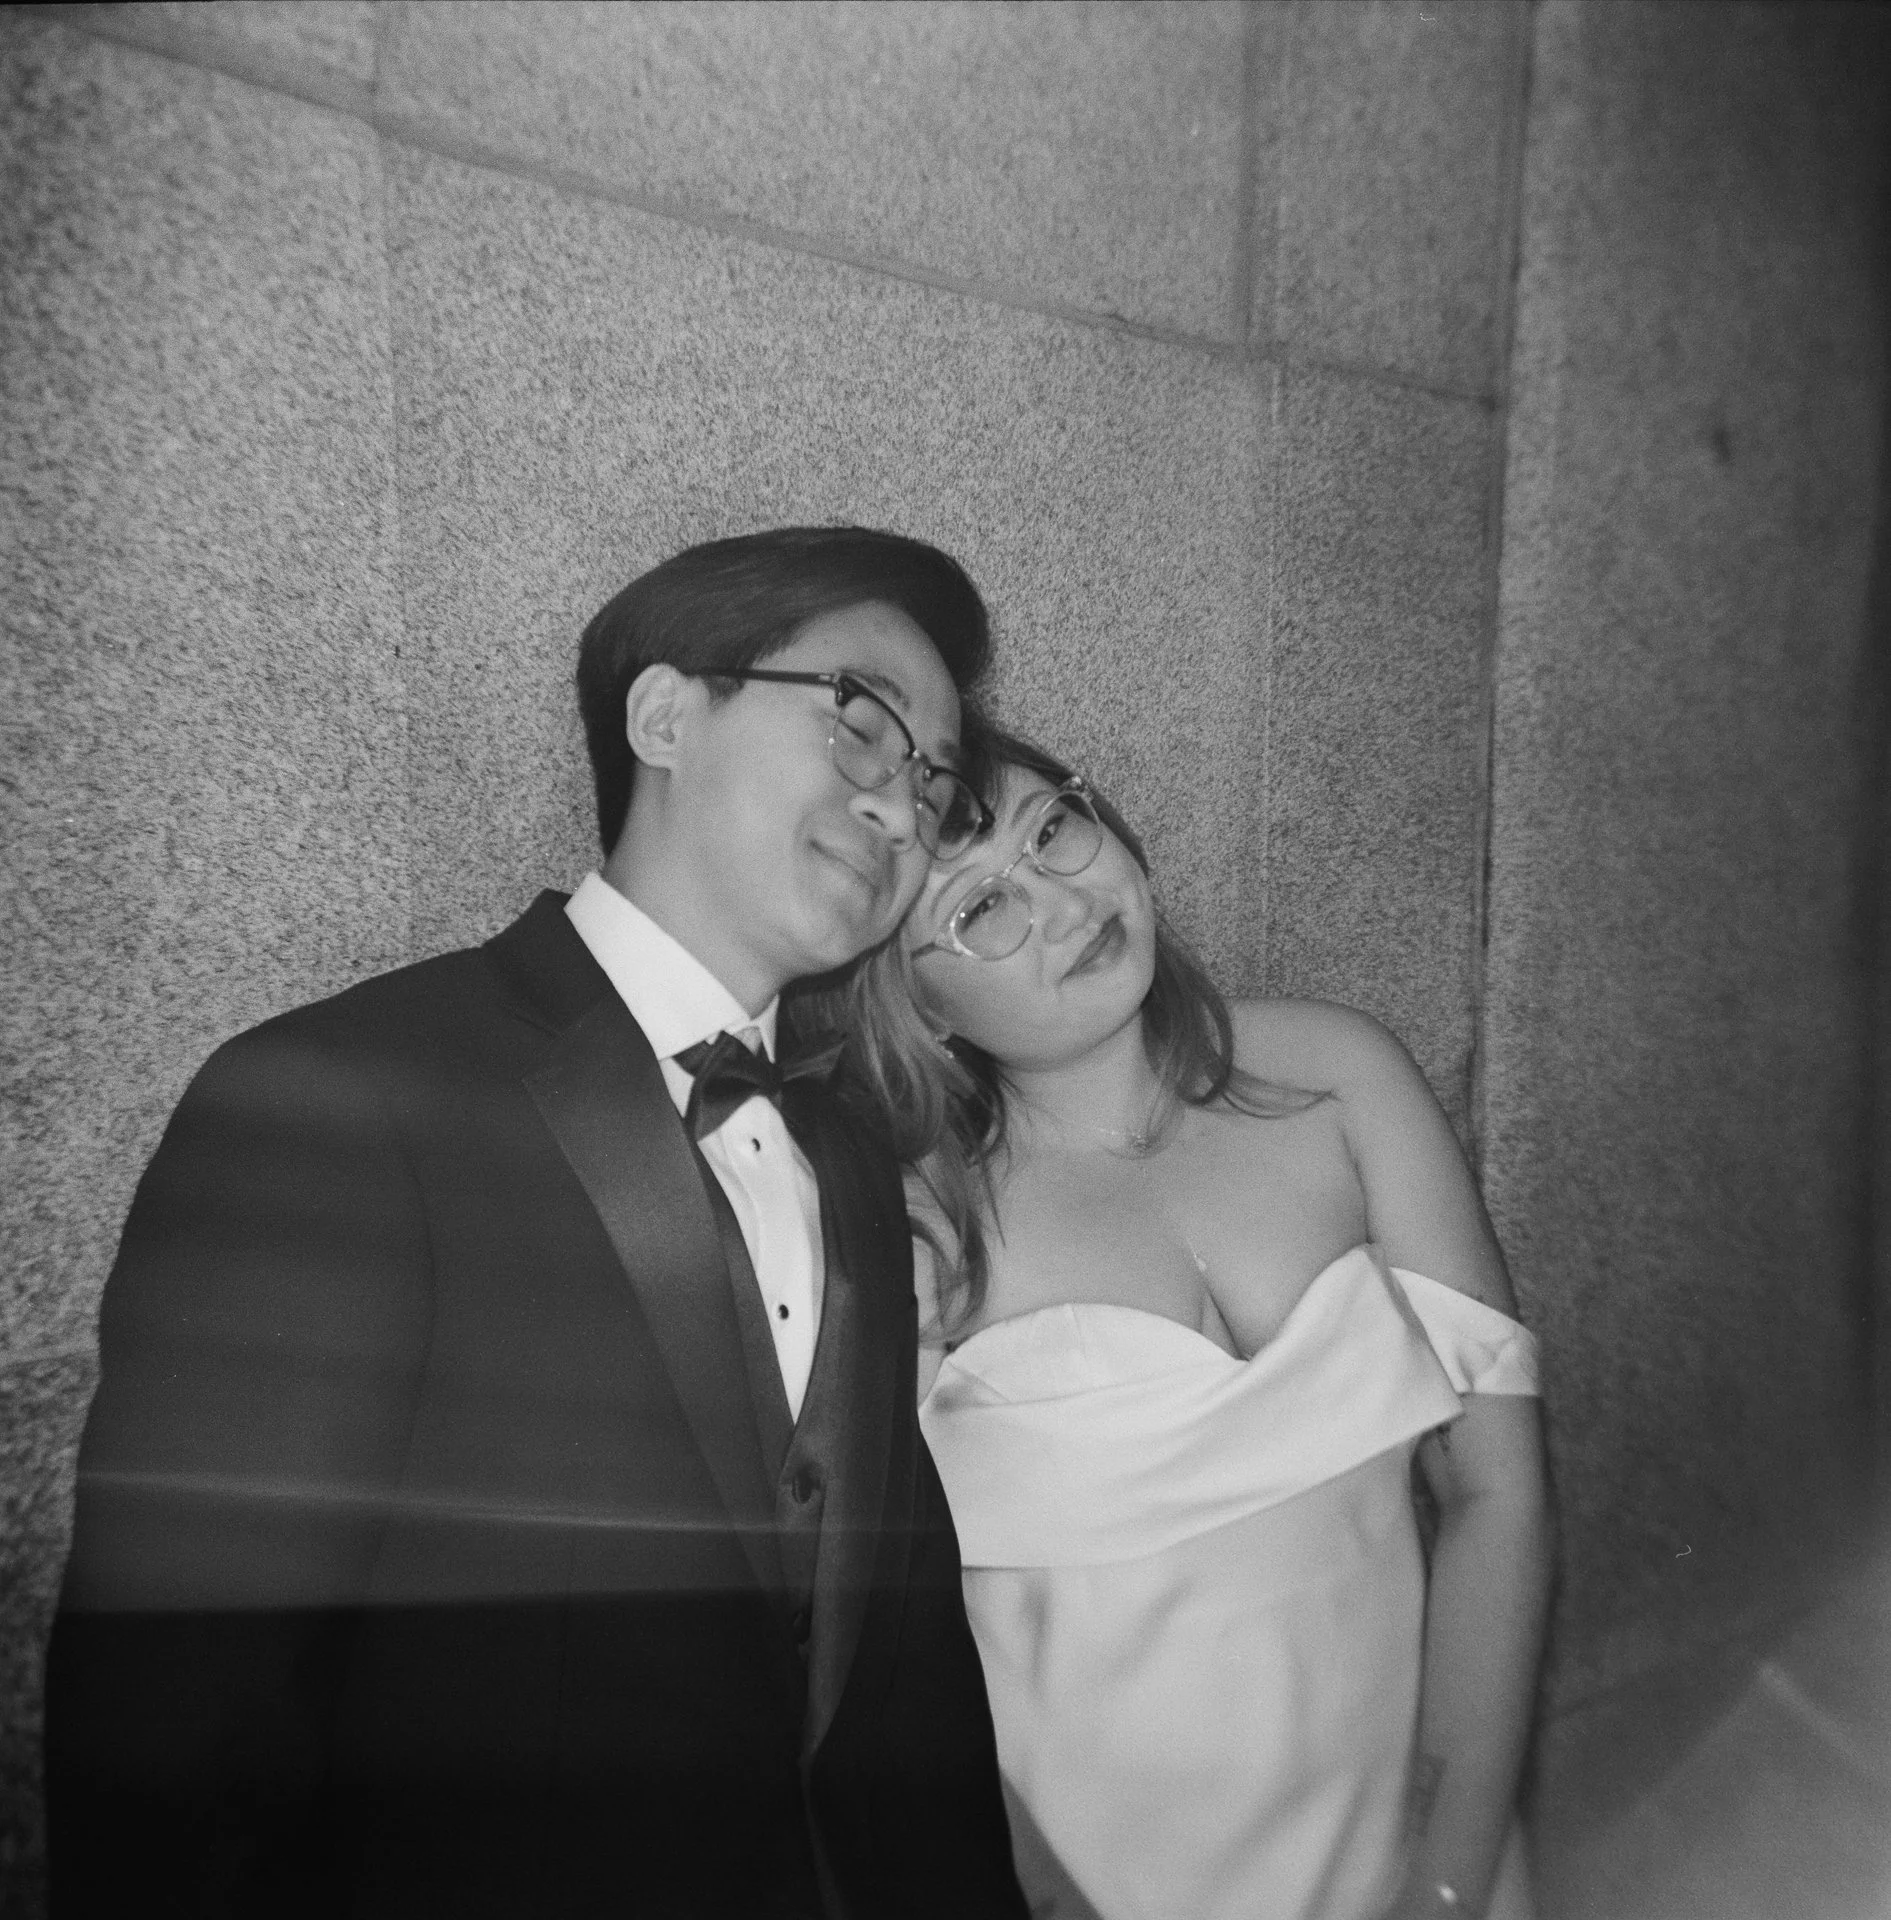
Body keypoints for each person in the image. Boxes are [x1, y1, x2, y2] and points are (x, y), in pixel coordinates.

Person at [45, 527, 1030, 1920]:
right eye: (862, 728)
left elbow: (903, 1665)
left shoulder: (851, 1149)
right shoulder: (334, 1097)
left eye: (931, 783)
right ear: (665, 713)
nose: (898, 811)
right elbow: (185, 1713)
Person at [798, 730, 1554, 1920]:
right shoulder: (917, 1225)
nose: (1060, 900)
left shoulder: (1337, 1073)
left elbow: (1495, 1493)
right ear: (918, 1005)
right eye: (982, 906)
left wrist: (1449, 1886)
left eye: (1051, 828)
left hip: (1423, 1847)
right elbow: (871, 1655)